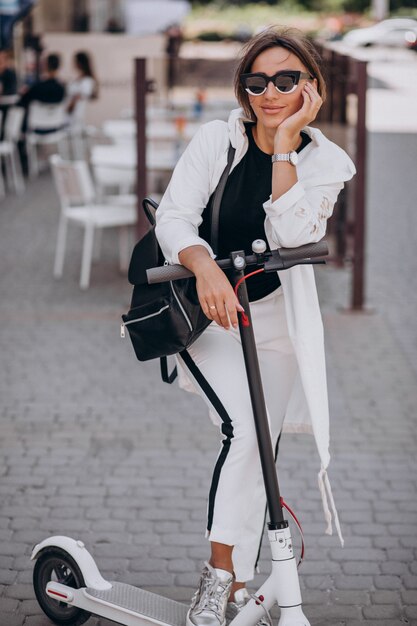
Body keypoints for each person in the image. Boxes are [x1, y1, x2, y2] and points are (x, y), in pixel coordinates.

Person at [155, 27, 355, 626]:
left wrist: (286, 146)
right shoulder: (219, 138)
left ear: (311, 88)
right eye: (258, 81)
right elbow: (174, 217)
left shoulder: (326, 160)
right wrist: (205, 272)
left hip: (276, 321)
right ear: (244, 88)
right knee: (244, 434)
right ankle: (217, 579)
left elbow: (294, 234)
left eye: (287, 79)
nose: (271, 92)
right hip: (208, 314)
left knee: (260, 450)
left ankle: (240, 580)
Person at [18, 52, 66, 132]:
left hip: (35, 128)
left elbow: (22, 101)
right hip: (56, 127)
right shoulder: (62, 88)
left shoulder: (37, 87)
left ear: (46, 65)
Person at [66, 51, 98, 125]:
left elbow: (80, 96)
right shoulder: (79, 79)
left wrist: (70, 107)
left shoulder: (87, 80)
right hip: (71, 116)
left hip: (76, 116)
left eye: (75, 61)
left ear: (80, 63)